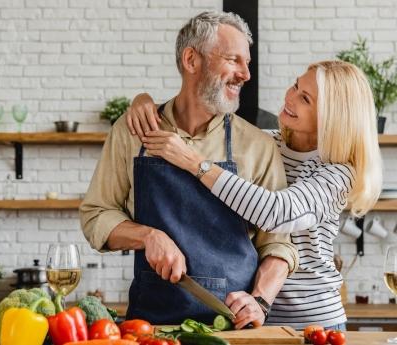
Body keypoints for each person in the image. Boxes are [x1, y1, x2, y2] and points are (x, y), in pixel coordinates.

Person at [125, 60, 382, 330]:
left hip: (311, 322)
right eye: (296, 85)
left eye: (305, 98)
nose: (290, 97)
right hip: (249, 315)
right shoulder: (264, 143)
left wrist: (195, 163)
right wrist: (146, 104)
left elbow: (277, 214)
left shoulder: (337, 172)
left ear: (332, 117)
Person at [80, 11, 299, 327]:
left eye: (246, 63)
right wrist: (147, 236)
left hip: (233, 327)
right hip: (151, 327)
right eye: (233, 60)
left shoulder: (257, 145)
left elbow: (278, 242)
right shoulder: (132, 132)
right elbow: (96, 214)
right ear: (191, 60)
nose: (245, 74)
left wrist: (260, 299)